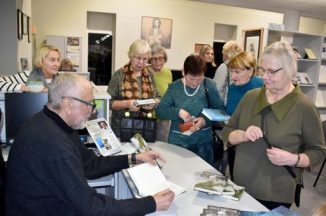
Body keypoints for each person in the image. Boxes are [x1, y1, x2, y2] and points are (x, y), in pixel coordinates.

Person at [5, 73, 175, 216]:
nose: (92, 110)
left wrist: (134, 157)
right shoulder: (55, 144)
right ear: (68, 104)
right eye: (89, 104)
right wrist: (150, 203)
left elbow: (90, 165)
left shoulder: (53, 123)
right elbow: (91, 207)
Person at [221, 41, 326, 210]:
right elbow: (227, 133)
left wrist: (294, 159)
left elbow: (319, 152)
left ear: (290, 71)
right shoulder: (250, 97)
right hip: (238, 188)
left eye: (271, 72)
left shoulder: (304, 108)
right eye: (262, 70)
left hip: (276, 195)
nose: (264, 76)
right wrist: (242, 135)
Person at [156, 54, 225, 164]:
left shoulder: (209, 85)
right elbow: (160, 111)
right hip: (178, 143)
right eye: (191, 79)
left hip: (203, 144)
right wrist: (178, 112)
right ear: (183, 72)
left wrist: (204, 121)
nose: (195, 83)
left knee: (202, 177)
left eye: (199, 79)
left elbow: (221, 110)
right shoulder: (174, 88)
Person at [107, 39, 160, 137]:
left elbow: (158, 98)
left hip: (145, 128)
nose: (141, 62)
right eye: (137, 58)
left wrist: (153, 104)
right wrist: (126, 103)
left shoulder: (150, 75)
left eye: (145, 59)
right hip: (121, 130)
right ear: (130, 56)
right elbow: (109, 102)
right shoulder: (118, 75)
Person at [224, 51, 264, 179]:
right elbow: (231, 112)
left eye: (237, 72)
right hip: (235, 140)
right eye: (231, 72)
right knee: (235, 176)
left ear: (251, 71)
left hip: (254, 144)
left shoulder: (261, 87)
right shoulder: (233, 87)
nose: (233, 76)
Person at [148, 42, 172, 142]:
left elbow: (169, 93)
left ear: (164, 58)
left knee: (162, 145)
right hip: (147, 116)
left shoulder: (168, 72)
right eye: (154, 58)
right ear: (150, 59)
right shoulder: (145, 72)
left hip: (164, 117)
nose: (158, 61)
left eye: (160, 58)